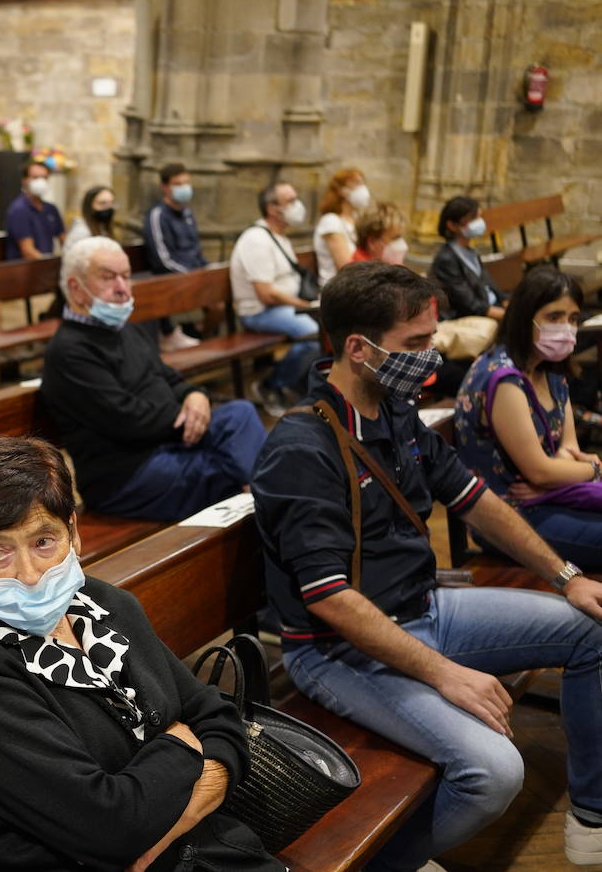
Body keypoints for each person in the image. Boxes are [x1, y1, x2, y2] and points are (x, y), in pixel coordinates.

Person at [251, 262, 602, 871]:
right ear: (359, 349)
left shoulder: (394, 408)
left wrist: (565, 576)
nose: (432, 354)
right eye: (416, 343)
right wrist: (446, 673)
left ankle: (592, 813)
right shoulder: (301, 448)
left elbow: (474, 499)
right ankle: (386, 862)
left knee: (591, 628)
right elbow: (329, 598)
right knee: (494, 772)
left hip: (425, 609)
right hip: (337, 651)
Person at [0, 436, 283, 872]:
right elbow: (112, 827)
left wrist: (154, 831)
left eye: (44, 541)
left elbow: (220, 718)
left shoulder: (102, 604)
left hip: (187, 850)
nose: (30, 575)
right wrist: (183, 741)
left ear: (73, 530)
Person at [41, 236, 267, 520]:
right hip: (127, 475)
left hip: (167, 444)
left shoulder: (124, 329)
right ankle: (272, 507)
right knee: (231, 472)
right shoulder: (68, 351)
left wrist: (194, 396)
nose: (122, 289)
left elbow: (165, 376)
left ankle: (268, 500)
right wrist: (185, 418)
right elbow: (126, 418)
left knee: (242, 414)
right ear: (76, 287)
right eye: (109, 278)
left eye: (125, 277)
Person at [455, 265, 602, 570]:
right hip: (508, 517)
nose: (566, 328)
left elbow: (566, 449)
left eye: (573, 318)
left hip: (551, 499)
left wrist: (560, 472)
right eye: (553, 317)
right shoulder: (504, 378)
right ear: (525, 317)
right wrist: (593, 468)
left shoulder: (549, 369)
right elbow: (540, 472)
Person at [230, 182, 321, 415]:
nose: (297, 205)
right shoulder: (256, 239)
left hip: (284, 308)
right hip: (259, 312)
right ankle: (271, 385)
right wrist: (305, 306)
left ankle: (303, 385)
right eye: (290, 201)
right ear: (272, 209)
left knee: (328, 324)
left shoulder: (279, 237)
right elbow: (266, 293)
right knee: (311, 334)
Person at [428, 196, 505, 362]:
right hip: (463, 317)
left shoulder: (470, 252)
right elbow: (469, 304)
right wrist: (508, 314)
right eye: (473, 218)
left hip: (488, 307)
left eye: (479, 216)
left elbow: (491, 287)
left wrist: (507, 302)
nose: (479, 222)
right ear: (452, 225)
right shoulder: (446, 258)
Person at [143, 163, 208, 274]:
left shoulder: (187, 214)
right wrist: (192, 275)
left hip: (195, 275)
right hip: (175, 280)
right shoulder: (158, 216)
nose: (184, 188)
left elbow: (196, 252)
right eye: (178, 184)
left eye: (186, 183)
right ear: (165, 187)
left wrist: (208, 269)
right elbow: (163, 261)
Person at [314, 168, 371, 285]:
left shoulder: (357, 218)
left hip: (359, 282)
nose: (363, 188)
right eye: (357, 183)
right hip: (339, 288)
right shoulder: (330, 221)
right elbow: (346, 267)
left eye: (363, 183)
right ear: (341, 190)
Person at [4, 159, 65, 261]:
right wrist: (51, 266)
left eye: (44, 178)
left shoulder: (51, 209)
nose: (41, 182)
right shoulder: (19, 210)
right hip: (24, 269)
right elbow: (28, 251)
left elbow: (64, 239)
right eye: (35, 177)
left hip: (44, 264)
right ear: (24, 180)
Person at [64, 185, 116, 254]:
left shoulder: (102, 226)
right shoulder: (81, 231)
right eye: (102, 203)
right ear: (89, 206)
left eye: (111, 203)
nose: (108, 208)